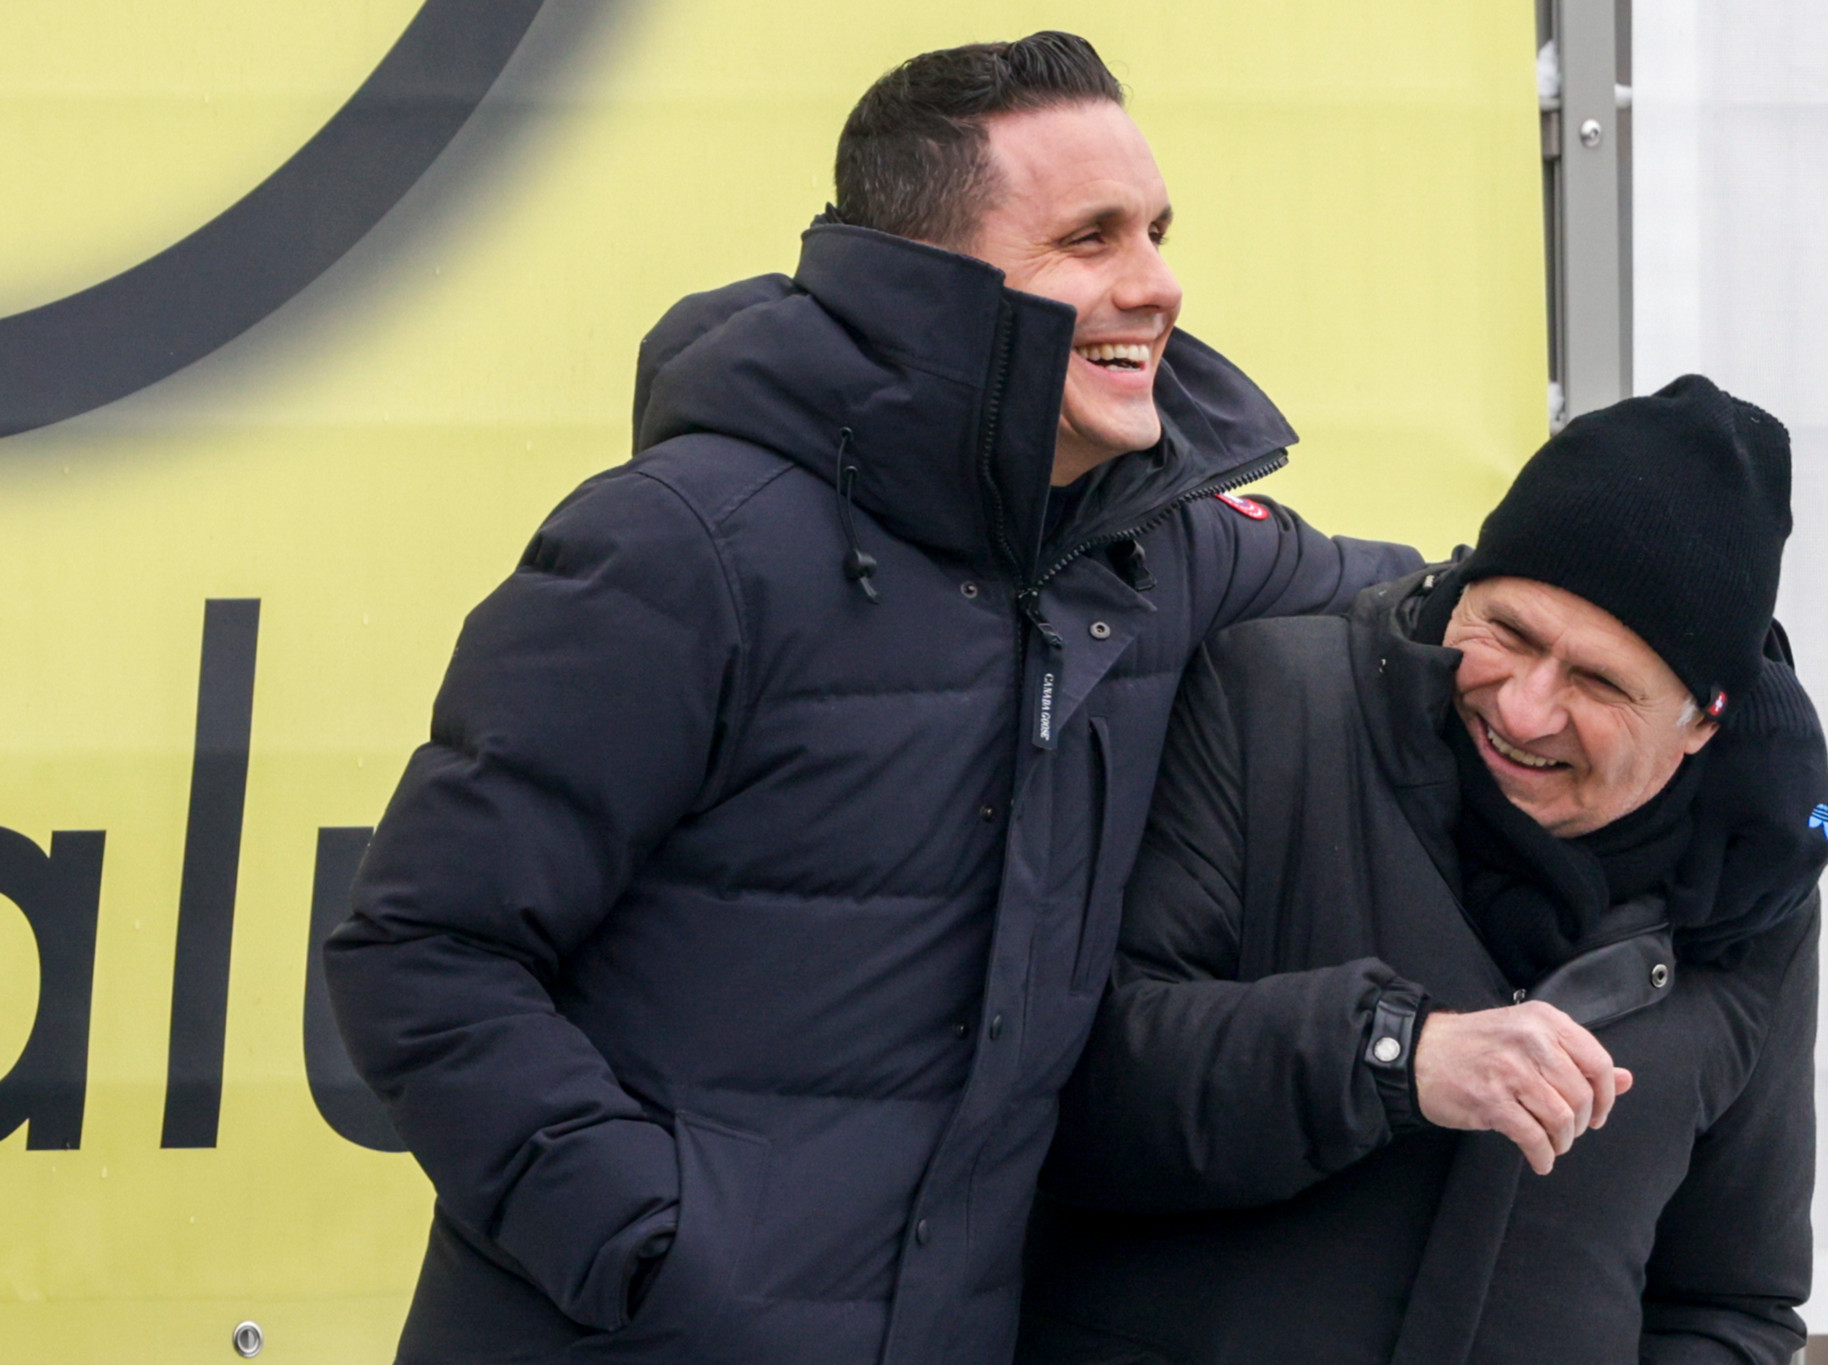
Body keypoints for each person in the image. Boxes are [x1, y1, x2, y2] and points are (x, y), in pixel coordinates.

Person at [323, 32, 1418, 1365]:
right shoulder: (682, 548)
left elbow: (1457, 616)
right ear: (924, 286)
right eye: (1091, 241)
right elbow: (423, 949)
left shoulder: (1160, 548)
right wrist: (650, 1250)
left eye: (1158, 231)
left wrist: (1717, 671)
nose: (1160, 284)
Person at [1021, 375, 1828, 1365]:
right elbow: (1083, 1089)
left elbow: (1728, 1303)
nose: (1525, 709)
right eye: (1507, 632)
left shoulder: (1752, 900)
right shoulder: (1274, 701)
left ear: (1698, 722)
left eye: (1594, 682)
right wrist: (1393, 1058)